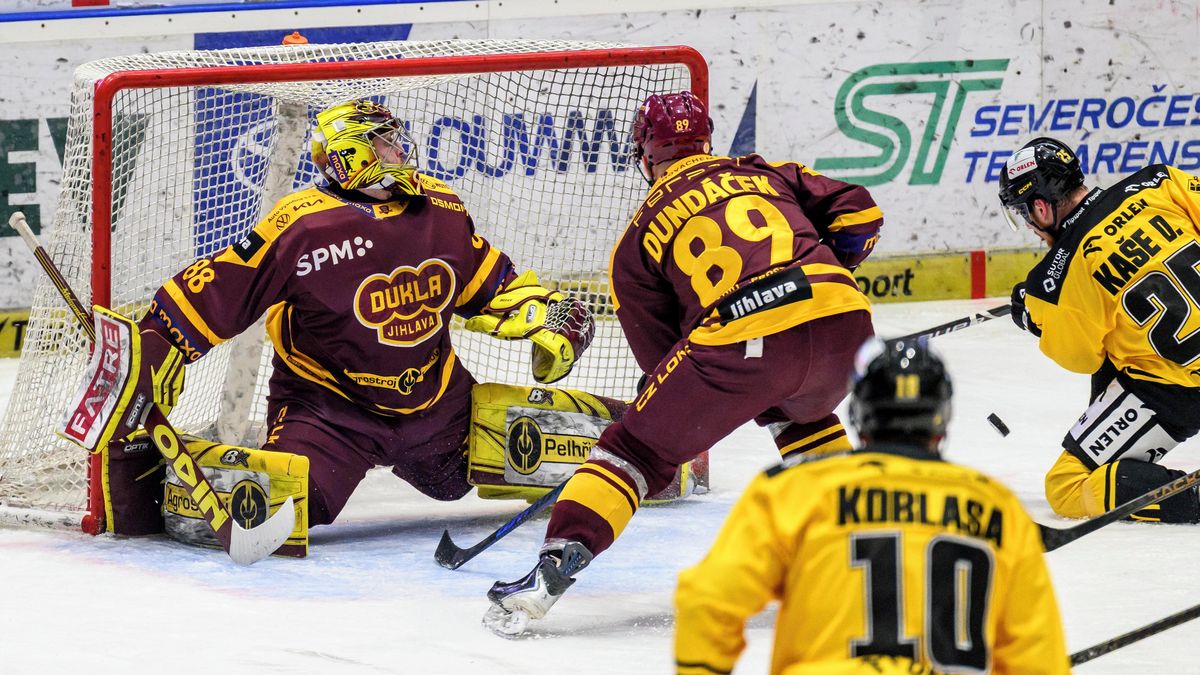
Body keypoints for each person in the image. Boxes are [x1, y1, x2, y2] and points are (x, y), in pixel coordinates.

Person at [72, 99, 593, 531]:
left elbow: (485, 279)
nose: (400, 149)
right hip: (328, 410)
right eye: (384, 142)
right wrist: (155, 343)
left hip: (433, 401)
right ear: (352, 155)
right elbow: (217, 289)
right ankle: (173, 483)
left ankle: (629, 460)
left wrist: (542, 314)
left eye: (395, 139)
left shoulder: (442, 206)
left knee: (453, 480)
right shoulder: (302, 227)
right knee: (291, 506)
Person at [484, 90, 883, 636]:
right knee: (803, 415)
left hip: (745, 338)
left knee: (633, 448)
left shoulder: (636, 239)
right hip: (847, 325)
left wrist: (684, 416)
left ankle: (550, 570)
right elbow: (860, 210)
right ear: (706, 140)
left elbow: (661, 361)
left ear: (646, 156)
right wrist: (815, 282)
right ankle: (865, 558)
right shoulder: (765, 172)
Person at [674, 337, 1070, 675]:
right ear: (942, 418)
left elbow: (708, 600)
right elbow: (1037, 653)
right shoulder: (995, 507)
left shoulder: (793, 490)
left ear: (859, 413)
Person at [999, 136, 1200, 524]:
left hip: (1177, 392)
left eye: (1025, 213)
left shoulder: (1054, 279)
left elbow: (1082, 357)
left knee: (1067, 484)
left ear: (1040, 207)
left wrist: (1034, 315)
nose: (1029, 224)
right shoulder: (1160, 182)